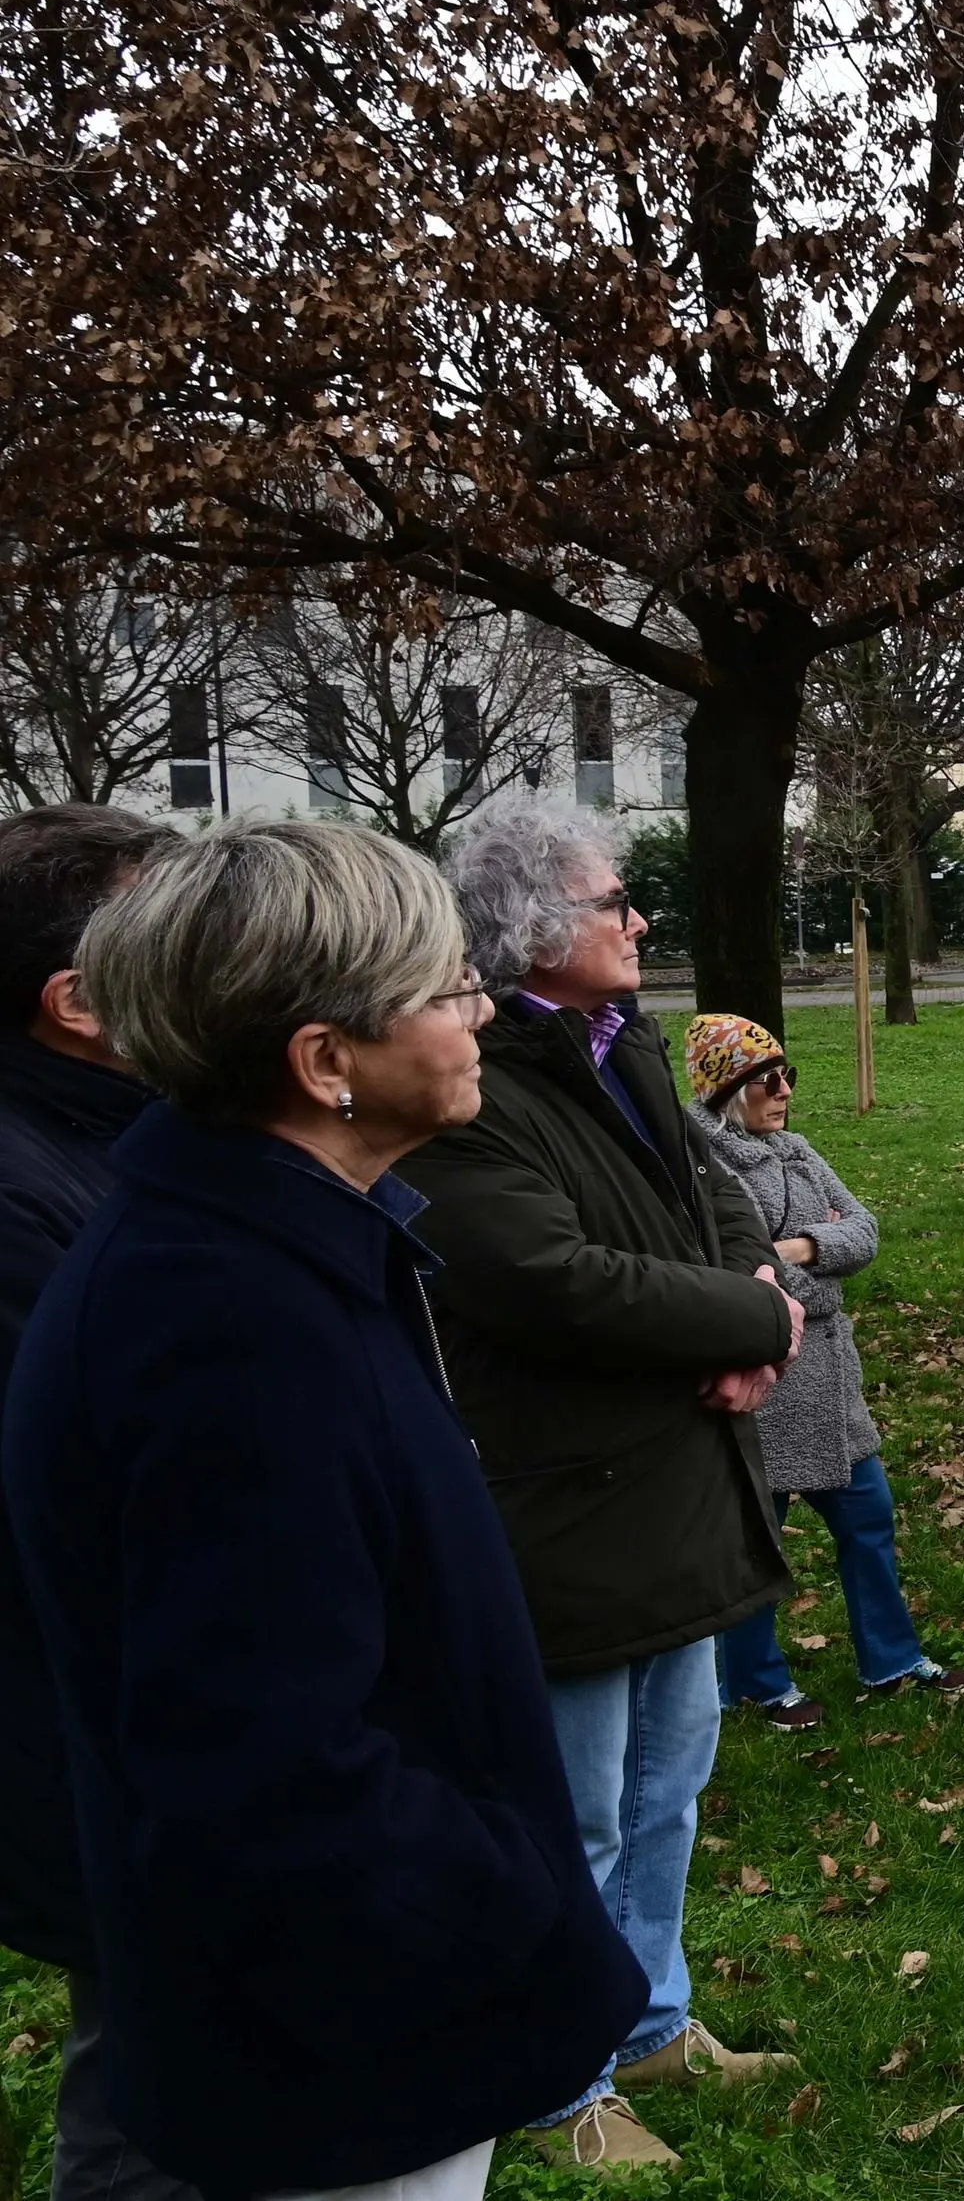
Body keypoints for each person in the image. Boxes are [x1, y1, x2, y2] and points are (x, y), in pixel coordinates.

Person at [6, 820, 644, 2197]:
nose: (480, 1009)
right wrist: (516, 1902)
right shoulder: (221, 1321)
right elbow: (269, 1766)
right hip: (343, 2050)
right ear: (324, 1059)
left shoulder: (263, 1243)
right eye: (443, 986)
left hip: (357, 2014)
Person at [398, 805, 803, 2164]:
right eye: (617, 900)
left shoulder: (616, 1047)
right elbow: (547, 1281)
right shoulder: (470, 1081)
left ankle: (649, 2020)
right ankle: (559, 2081)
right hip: (565, 1501)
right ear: (533, 930)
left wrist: (758, 1298)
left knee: (666, 1786)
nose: (641, 919)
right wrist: (743, 1326)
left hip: (674, 1488)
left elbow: (716, 1192)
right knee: (567, 1808)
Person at [0, 805, 188, 2201]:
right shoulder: (31, 1198)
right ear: (78, 1003)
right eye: (174, 936)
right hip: (111, 1734)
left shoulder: (120, 1144)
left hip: (146, 1727)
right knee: (156, 2096)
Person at [688, 1015, 964, 1728]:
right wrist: (816, 1263)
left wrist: (802, 1247)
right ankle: (753, 1682)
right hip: (765, 1380)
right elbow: (736, 1269)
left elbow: (865, 1230)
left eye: (789, 1076)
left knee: (869, 1516)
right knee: (761, 1539)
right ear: (729, 1090)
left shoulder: (794, 1148)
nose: (784, 1090)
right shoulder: (705, 1164)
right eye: (767, 1080)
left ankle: (892, 1657)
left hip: (831, 1387)